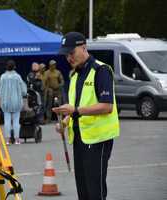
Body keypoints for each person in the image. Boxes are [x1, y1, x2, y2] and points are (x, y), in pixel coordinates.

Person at [53, 32, 120, 200]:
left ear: (84, 47)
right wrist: (65, 122)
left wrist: (74, 111)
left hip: (98, 140)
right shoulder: (74, 74)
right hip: (80, 139)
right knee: (83, 191)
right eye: (66, 54)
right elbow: (76, 106)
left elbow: (107, 106)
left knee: (94, 191)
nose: (69, 58)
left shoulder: (101, 70)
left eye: (72, 53)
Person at [0, 60, 27, 145]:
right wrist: (24, 94)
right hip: (16, 101)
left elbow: (0, 88)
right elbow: (23, 90)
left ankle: (7, 140)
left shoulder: (3, 77)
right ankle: (17, 139)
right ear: (14, 67)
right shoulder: (17, 77)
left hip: (5, 102)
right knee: (16, 121)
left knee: (7, 121)